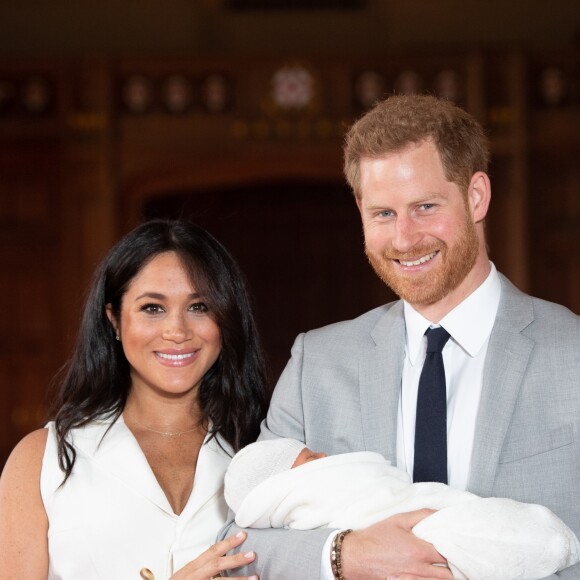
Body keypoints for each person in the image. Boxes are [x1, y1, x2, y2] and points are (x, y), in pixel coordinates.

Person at [220, 94, 580, 580]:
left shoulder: (572, 353)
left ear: (476, 196)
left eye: (425, 207)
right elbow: (234, 550)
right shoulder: (317, 364)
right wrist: (344, 557)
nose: (405, 239)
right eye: (383, 214)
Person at [0, 219, 269, 579]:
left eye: (200, 306)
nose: (177, 331)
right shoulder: (40, 461)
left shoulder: (264, 452)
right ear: (114, 320)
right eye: (152, 308)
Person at [224, 438, 580, 580]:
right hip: (429, 530)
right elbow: (235, 544)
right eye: (314, 459)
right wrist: (343, 554)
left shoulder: (567, 341)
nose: (327, 458)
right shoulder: (309, 358)